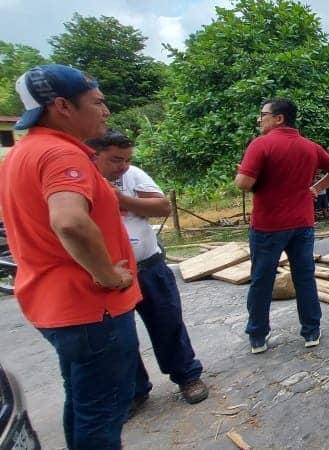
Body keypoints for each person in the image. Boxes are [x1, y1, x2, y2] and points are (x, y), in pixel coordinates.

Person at [0, 64, 140, 449]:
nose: (105, 111)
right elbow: (70, 222)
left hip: (54, 305)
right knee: (103, 413)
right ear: (62, 105)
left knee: (82, 400)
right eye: (97, 102)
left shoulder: (21, 153)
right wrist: (108, 275)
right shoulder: (63, 156)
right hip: (92, 308)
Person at [89, 130, 209, 412]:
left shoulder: (132, 177)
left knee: (168, 324)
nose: (123, 166)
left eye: (127, 159)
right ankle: (134, 390)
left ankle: (187, 376)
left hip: (148, 266)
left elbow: (162, 206)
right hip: (108, 276)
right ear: (94, 155)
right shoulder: (81, 181)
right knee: (119, 337)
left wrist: (122, 199)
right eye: (116, 160)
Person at [235, 98, 329, 354]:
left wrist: (245, 173)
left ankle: (258, 336)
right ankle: (311, 331)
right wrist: (315, 189)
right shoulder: (309, 146)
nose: (259, 119)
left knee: (262, 281)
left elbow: (242, 183)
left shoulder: (261, 145)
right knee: (304, 277)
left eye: (263, 114)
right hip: (302, 224)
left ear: (279, 118)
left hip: (268, 226)